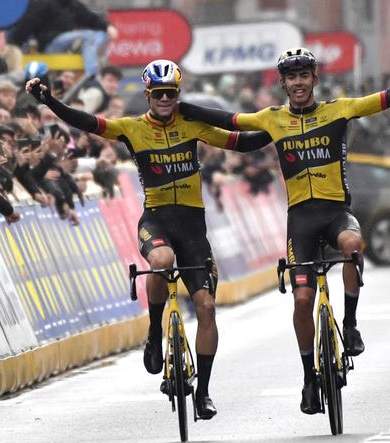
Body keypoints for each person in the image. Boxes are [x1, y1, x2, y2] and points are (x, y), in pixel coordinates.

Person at [179, 23, 390, 415]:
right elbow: (228, 120)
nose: (298, 83)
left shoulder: (338, 111)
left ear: (314, 78)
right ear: (283, 83)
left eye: (303, 75)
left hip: (336, 213)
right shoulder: (272, 119)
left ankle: (351, 323)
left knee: (353, 245)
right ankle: (310, 377)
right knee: (303, 299)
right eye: (291, 77)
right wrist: (182, 109)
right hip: (301, 222)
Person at [26, 59, 271, 420]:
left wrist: (281, 127)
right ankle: (155, 333)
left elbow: (241, 143)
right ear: (147, 95)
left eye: (171, 93)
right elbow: (88, 122)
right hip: (156, 221)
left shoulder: (193, 125)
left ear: (178, 94)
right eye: (158, 94)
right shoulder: (132, 128)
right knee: (160, 261)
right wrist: (50, 103)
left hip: (193, 228)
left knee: (205, 307)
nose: (165, 99)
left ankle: (202, 392)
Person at [7, 0, 117, 76]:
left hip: (67, 41)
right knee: (88, 36)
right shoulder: (43, 3)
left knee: (101, 34)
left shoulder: (73, 5)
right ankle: (92, 76)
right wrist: (14, 43)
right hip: (51, 45)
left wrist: (107, 27)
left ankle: (89, 54)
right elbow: (27, 24)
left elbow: (90, 18)